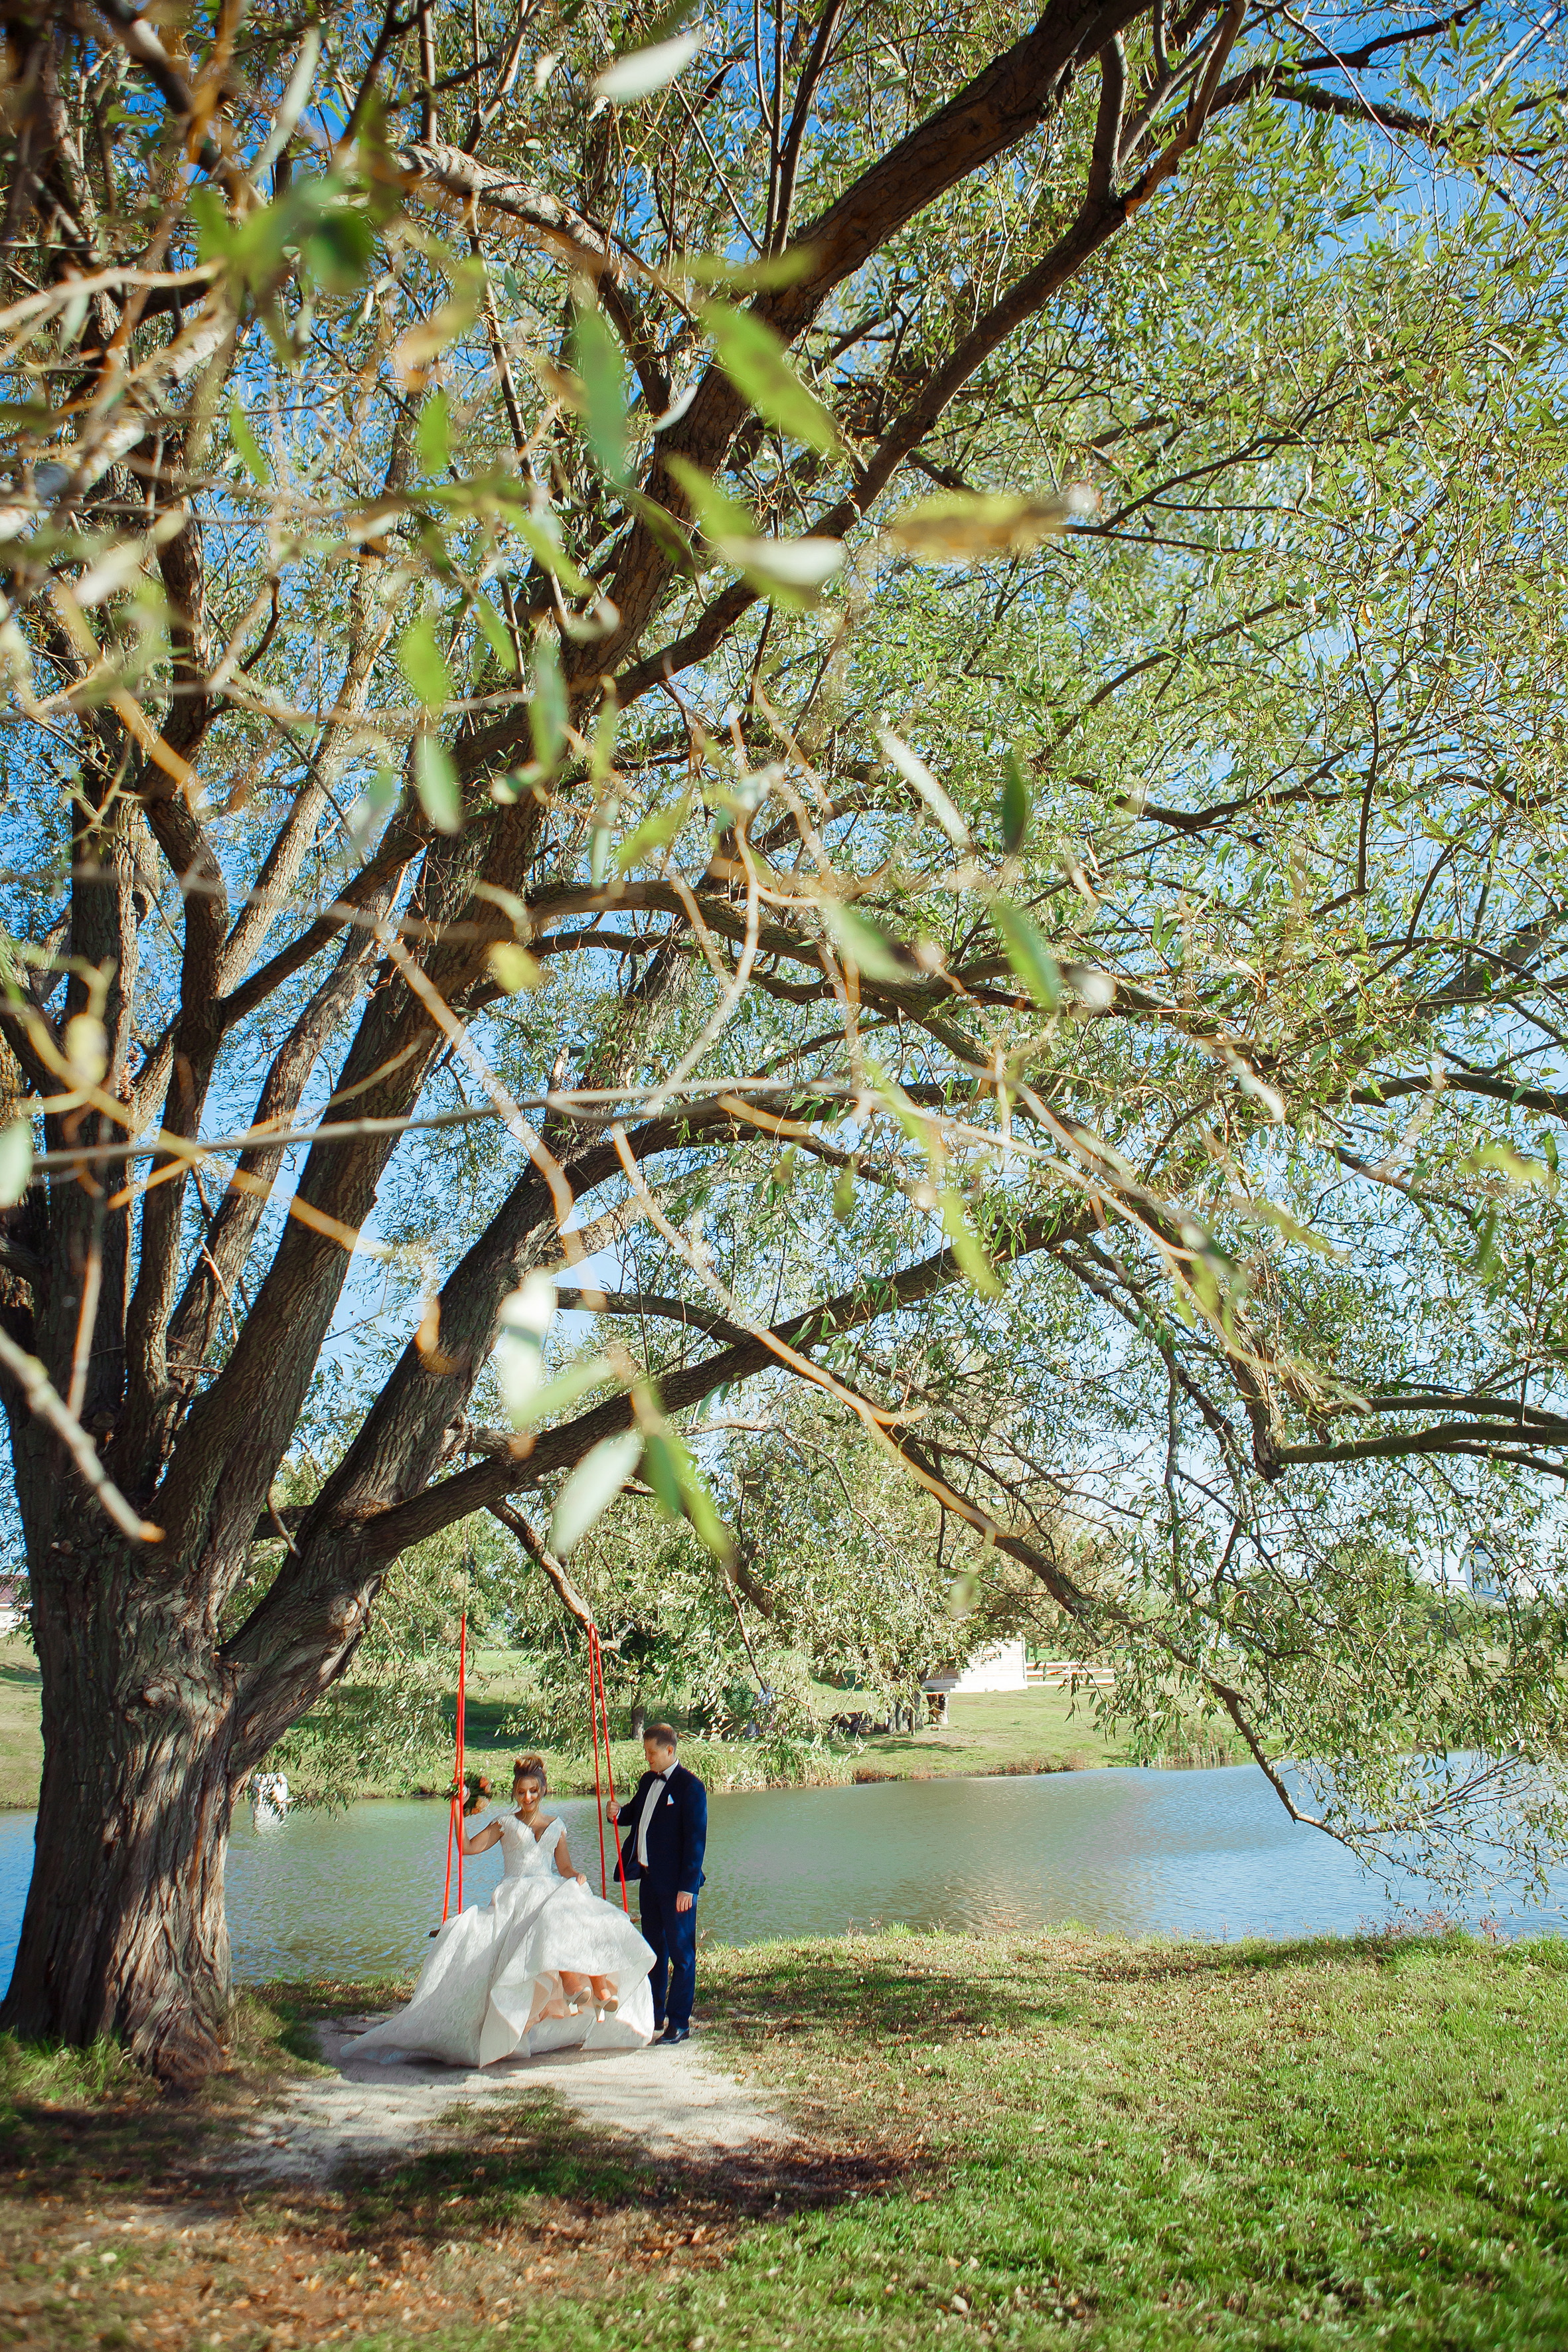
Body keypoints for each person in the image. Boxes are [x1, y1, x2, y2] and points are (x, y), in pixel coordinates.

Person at [353, 1756, 656, 2068]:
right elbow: (468, 1847)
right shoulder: (505, 1824)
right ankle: (572, 1984)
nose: (528, 1798)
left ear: (543, 1790)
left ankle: (599, 1986)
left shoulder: (557, 1826)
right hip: (516, 1892)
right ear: (514, 1792)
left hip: (549, 1885)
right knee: (551, 1913)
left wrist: (576, 1875)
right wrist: (458, 1810)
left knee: (582, 1907)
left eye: (534, 1791)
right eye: (522, 1792)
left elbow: (564, 1867)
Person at [611, 1723, 706, 2045]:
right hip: (649, 1881)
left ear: (669, 1750)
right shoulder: (648, 1780)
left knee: (682, 1955)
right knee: (653, 1952)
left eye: (651, 1752)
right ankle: (654, 2015)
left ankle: (679, 2023)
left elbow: (696, 1842)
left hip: (678, 1887)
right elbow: (636, 1814)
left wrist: (688, 1888)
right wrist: (618, 1812)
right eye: (645, 1752)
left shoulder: (690, 1788)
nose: (647, 1758)